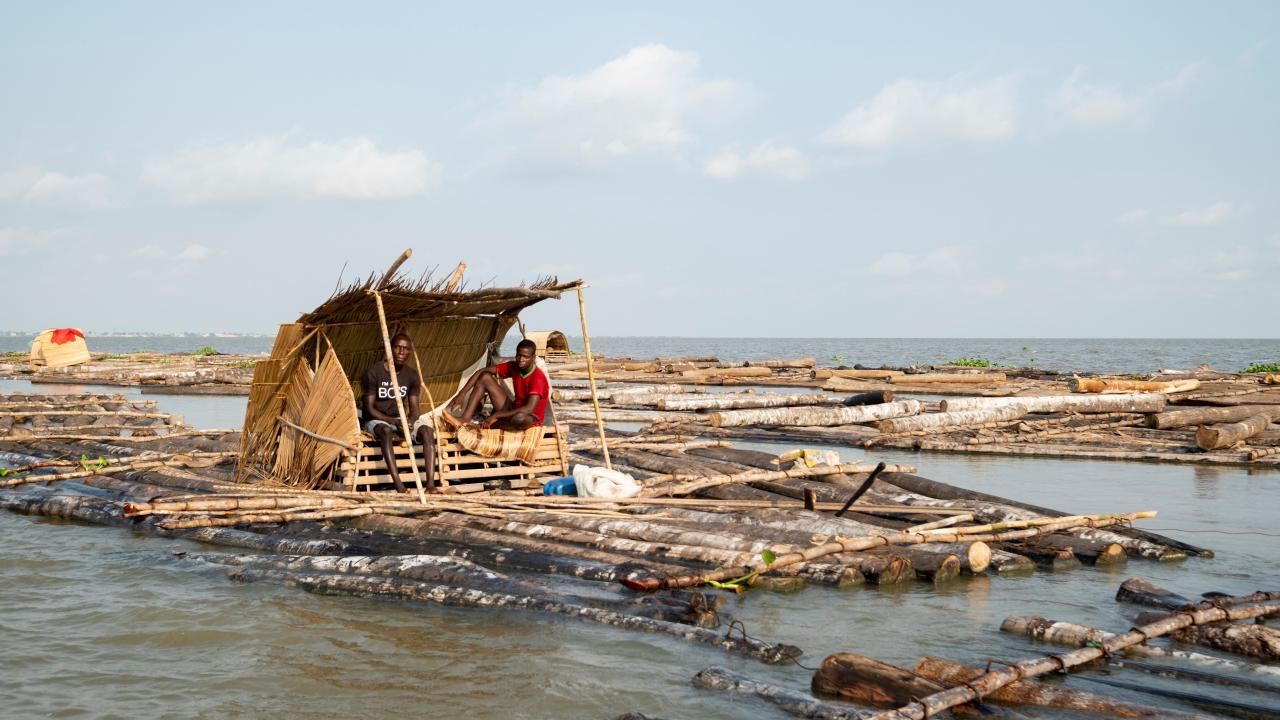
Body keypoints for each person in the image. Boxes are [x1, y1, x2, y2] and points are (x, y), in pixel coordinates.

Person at [361, 333, 437, 492]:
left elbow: (415, 409)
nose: (401, 352)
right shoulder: (373, 373)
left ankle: (430, 485)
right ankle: (399, 485)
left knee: (427, 431)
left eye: (406, 349)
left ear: (410, 352)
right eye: (397, 347)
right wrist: (393, 421)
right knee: (386, 431)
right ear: (390, 349)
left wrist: (411, 421)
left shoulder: (412, 375)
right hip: (376, 419)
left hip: (399, 418)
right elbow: (369, 409)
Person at [444, 338, 549, 431]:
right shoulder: (514, 366)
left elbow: (529, 409)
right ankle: (465, 419)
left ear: (533, 357)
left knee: (519, 418)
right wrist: (461, 394)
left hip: (529, 417)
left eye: (525, 357)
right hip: (513, 408)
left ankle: (488, 426)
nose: (521, 359)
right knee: (485, 377)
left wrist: (497, 415)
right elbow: (481, 371)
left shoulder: (538, 378)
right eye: (519, 355)